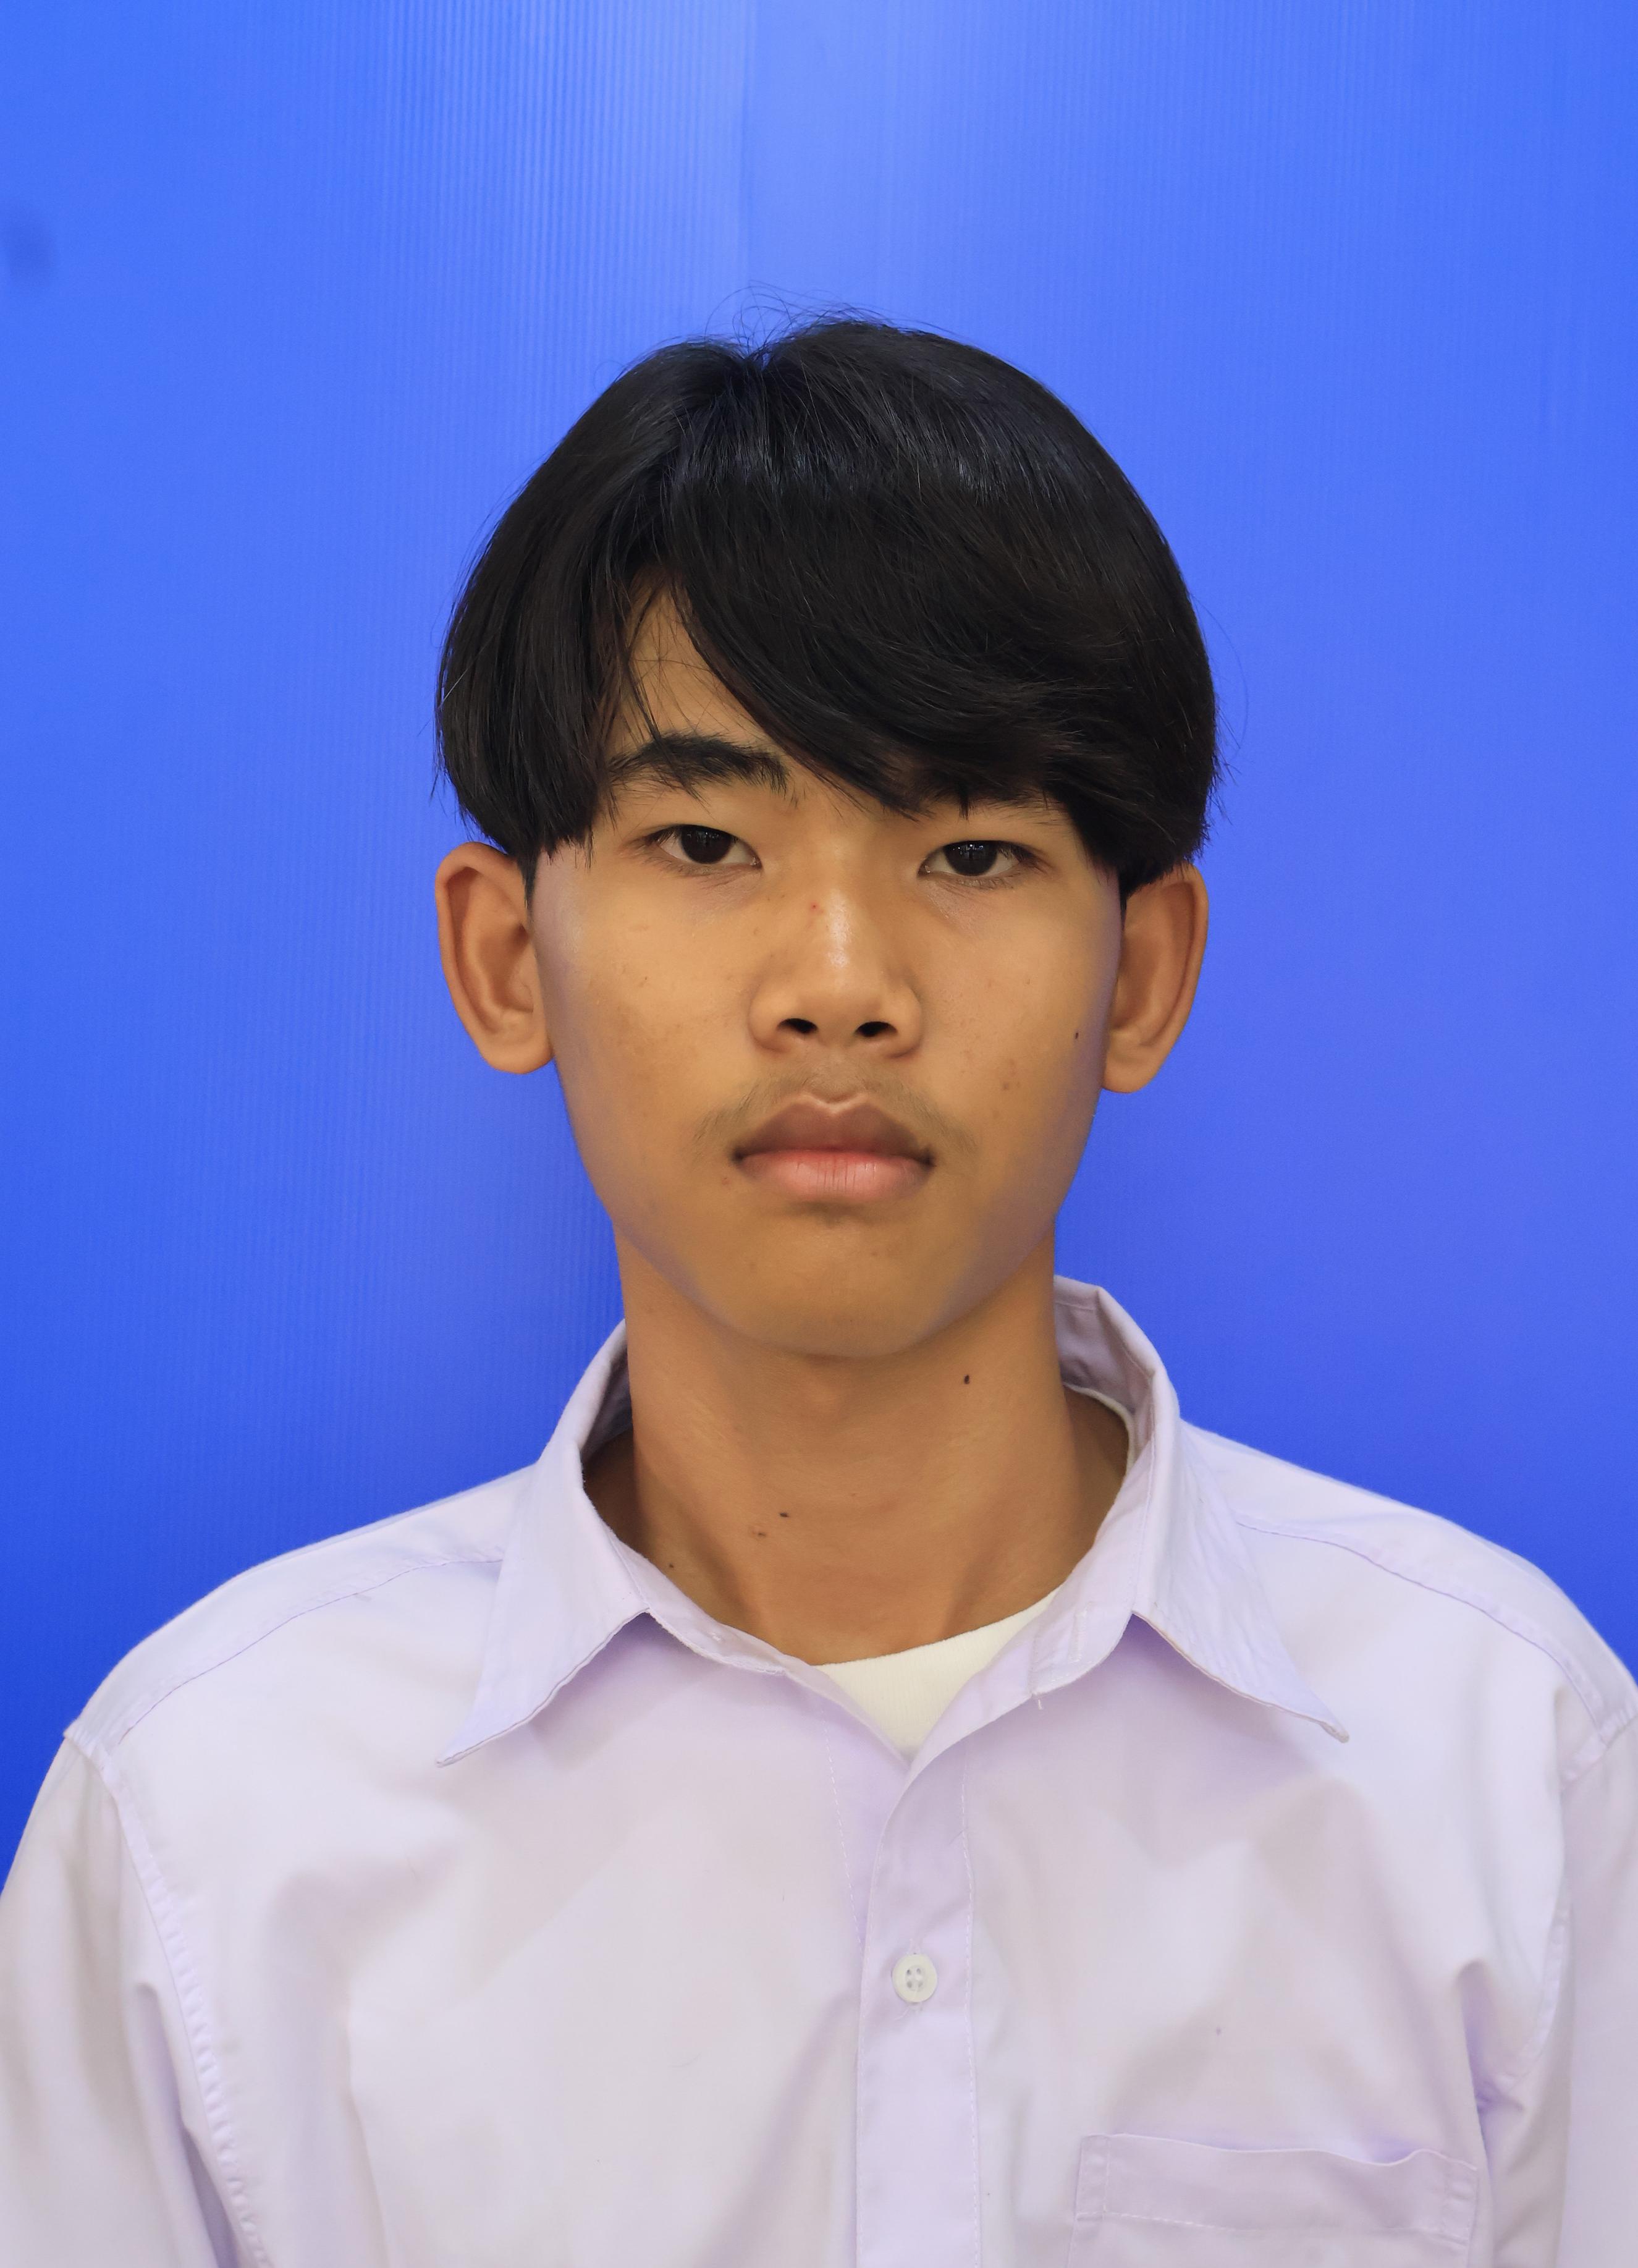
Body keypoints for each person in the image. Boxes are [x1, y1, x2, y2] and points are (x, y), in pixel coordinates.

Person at [0, 320, 1631, 2268]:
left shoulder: (1503, 1768)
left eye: (971, 850)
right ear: (506, 957)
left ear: (1139, 976)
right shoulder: (212, 1823)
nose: (840, 982)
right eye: (704, 840)